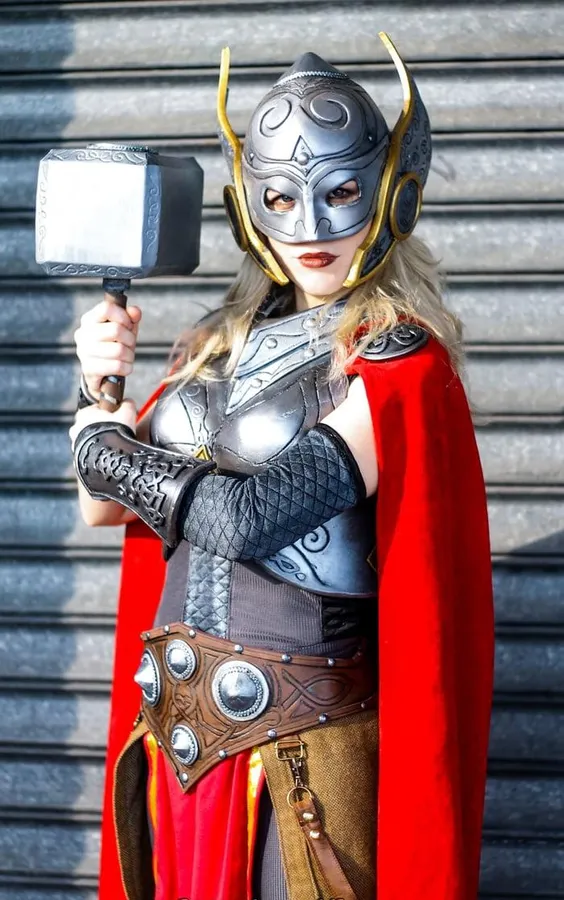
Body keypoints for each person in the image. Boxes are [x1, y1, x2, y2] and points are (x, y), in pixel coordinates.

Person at [70, 34, 494, 900]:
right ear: (249, 205)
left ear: (390, 192)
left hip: (300, 755)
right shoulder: (211, 349)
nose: (310, 227)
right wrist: (97, 388)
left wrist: (104, 449)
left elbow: (249, 519)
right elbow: (102, 509)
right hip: (178, 741)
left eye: (340, 193)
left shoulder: (395, 363)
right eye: (281, 197)